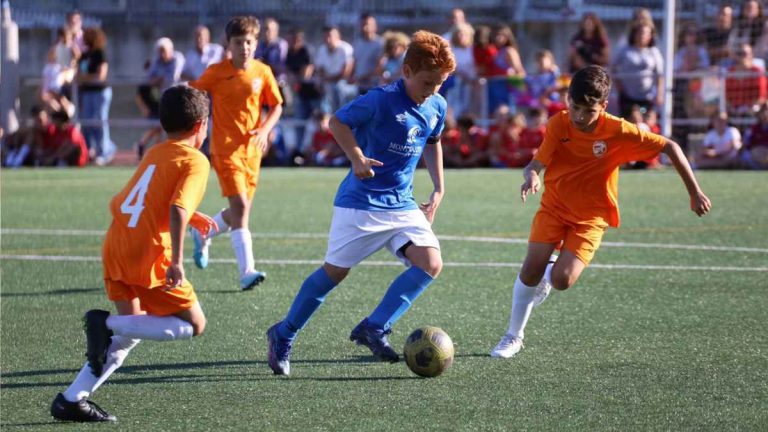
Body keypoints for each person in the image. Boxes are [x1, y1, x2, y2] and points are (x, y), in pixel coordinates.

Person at [265, 30, 456, 376]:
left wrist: (439, 188)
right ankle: (283, 332)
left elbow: (433, 141)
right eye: (428, 82)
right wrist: (356, 158)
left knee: (430, 262)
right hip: (361, 202)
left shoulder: (437, 105)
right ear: (407, 72)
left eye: (440, 84)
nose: (433, 90)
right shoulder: (381, 99)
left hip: (402, 202)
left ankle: (375, 326)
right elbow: (337, 121)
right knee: (334, 274)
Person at [490, 65, 711, 359]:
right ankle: (513, 336)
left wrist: (694, 192)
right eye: (575, 107)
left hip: (591, 219)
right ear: (568, 99)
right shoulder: (559, 124)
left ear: (603, 107)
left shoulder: (618, 130)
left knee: (561, 280)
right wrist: (531, 175)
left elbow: (670, 147)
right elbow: (536, 163)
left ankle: (550, 271)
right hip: (554, 208)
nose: (579, 116)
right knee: (529, 270)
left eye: (588, 111)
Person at [49, 85, 216, 422]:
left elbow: (138, 199)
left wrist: (192, 215)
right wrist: (178, 261)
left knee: (130, 332)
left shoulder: (156, 151)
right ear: (201, 125)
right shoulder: (196, 160)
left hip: (117, 244)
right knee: (195, 324)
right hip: (147, 253)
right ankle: (104, 323)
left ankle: (72, 399)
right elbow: (178, 209)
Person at [189, 16, 284, 290]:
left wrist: (265, 130)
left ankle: (202, 230)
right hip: (225, 149)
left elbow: (276, 106)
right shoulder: (216, 72)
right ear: (228, 45)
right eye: (238, 42)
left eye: (249, 42)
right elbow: (194, 97)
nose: (244, 47)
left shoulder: (262, 72)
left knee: (238, 212)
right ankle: (247, 272)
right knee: (241, 208)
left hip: (252, 152)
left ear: (256, 43)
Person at [76, 27, 116, 166]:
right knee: (86, 122)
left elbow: (101, 75)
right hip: (87, 93)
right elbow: (78, 75)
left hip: (100, 92)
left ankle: (104, 152)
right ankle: (88, 151)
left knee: (99, 121)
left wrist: (85, 78)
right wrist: (84, 78)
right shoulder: (84, 55)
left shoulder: (100, 53)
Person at [612, 23, 664, 119]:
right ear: (634, 34)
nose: (642, 36)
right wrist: (619, 86)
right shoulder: (625, 50)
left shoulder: (653, 52)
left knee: (649, 121)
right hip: (628, 96)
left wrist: (659, 94)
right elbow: (613, 68)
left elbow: (659, 74)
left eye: (646, 33)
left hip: (648, 97)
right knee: (635, 119)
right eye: (640, 33)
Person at [352, 13, 383, 95]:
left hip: (374, 86)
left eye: (367, 24)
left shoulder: (380, 44)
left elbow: (380, 66)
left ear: (375, 26)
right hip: (360, 86)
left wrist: (365, 77)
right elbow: (355, 62)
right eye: (362, 24)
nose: (365, 27)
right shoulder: (358, 43)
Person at [742, 102, 768, 169]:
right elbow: (746, 144)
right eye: (763, 111)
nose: (765, 114)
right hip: (756, 154)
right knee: (745, 156)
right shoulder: (753, 128)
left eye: (766, 111)